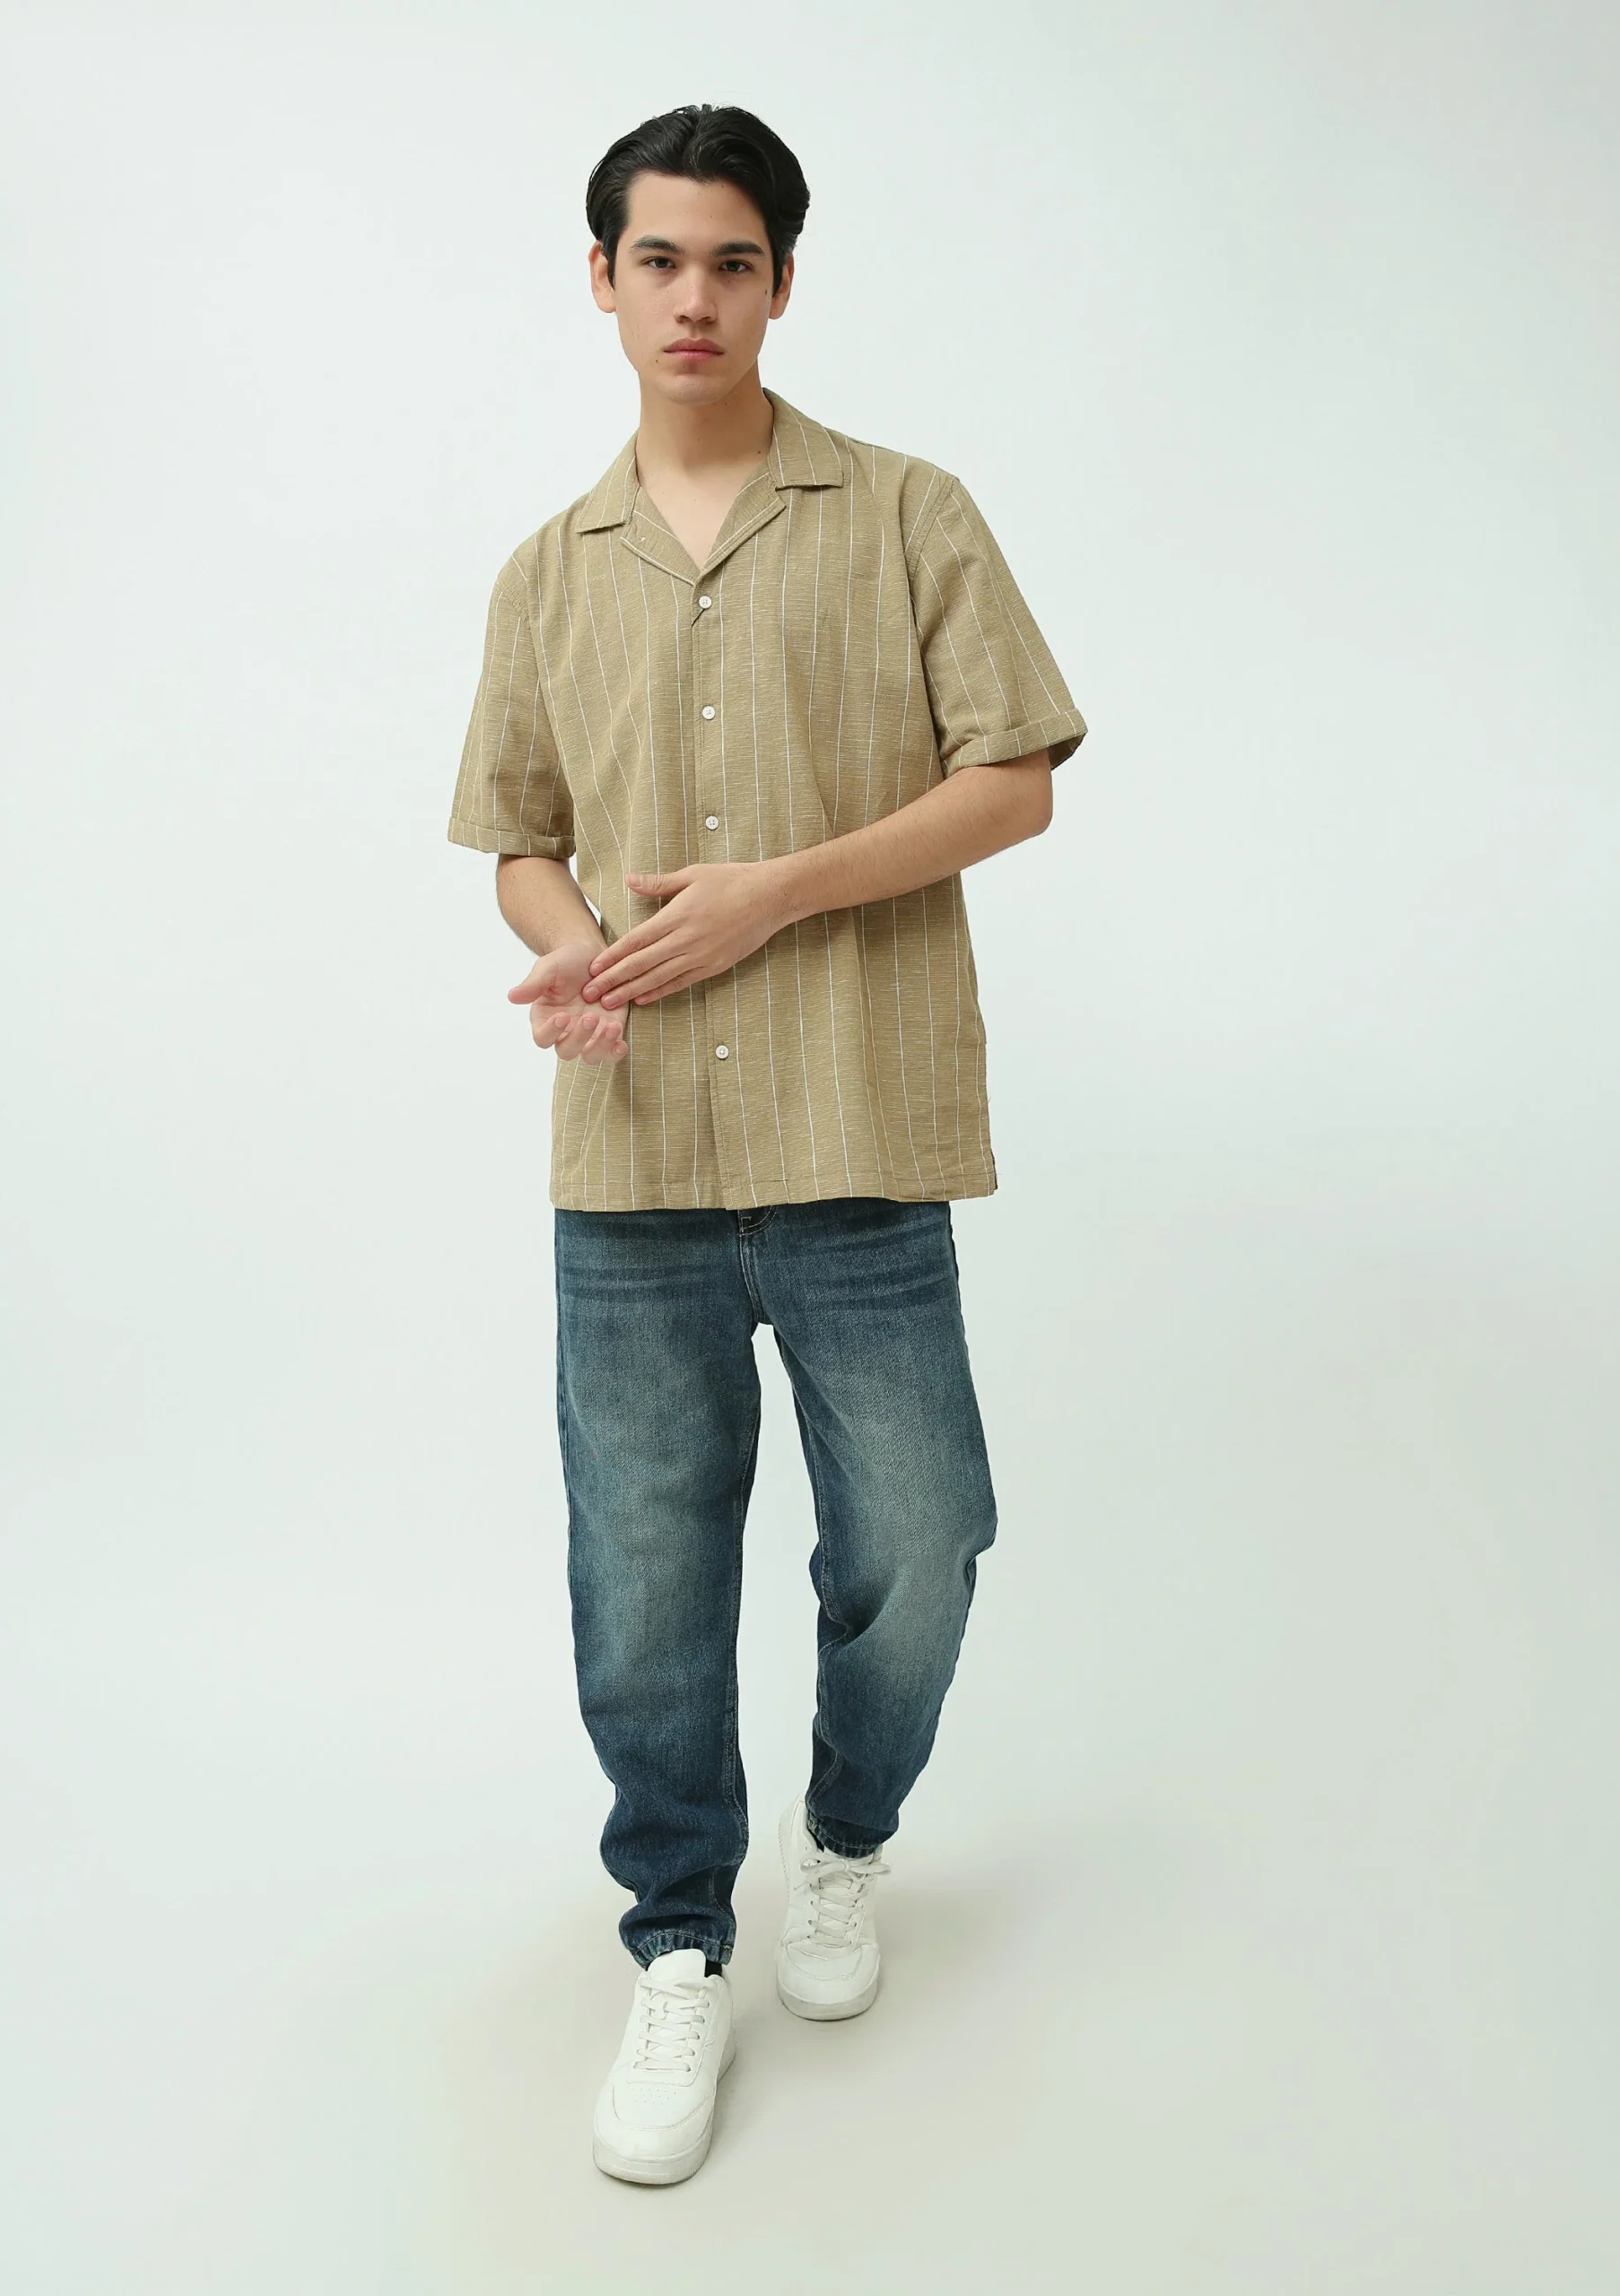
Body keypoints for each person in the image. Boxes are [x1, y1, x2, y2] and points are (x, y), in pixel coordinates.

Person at [449, 102, 1086, 2186]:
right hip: (632, 1157)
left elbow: (1016, 778)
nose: (695, 296)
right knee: (641, 1583)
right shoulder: (547, 571)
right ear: (603, 280)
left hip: (855, 1130)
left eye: (733, 260)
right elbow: (516, 840)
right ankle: (675, 1939)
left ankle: (847, 1834)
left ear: (783, 281)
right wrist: (578, 948)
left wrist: (774, 895)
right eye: (658, 258)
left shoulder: (904, 512)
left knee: (924, 1535)